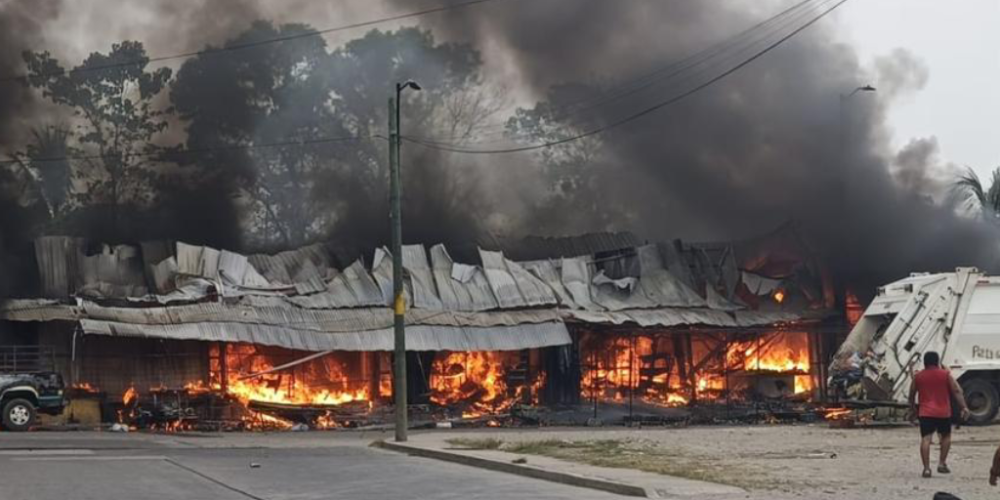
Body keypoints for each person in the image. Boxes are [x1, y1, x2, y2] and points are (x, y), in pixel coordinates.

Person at [909, 351, 970, 478]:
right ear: (937, 361)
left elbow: (911, 394)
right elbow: (957, 391)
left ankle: (926, 469)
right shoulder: (945, 374)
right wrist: (964, 407)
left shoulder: (918, 376)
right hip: (943, 412)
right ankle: (942, 464)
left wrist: (913, 409)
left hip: (925, 412)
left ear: (925, 362)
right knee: (946, 437)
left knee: (926, 438)